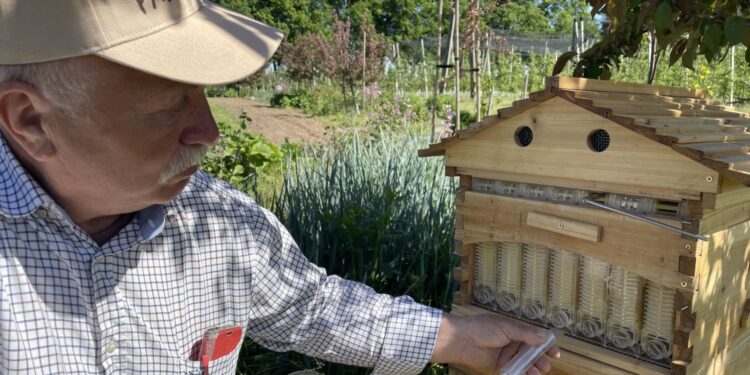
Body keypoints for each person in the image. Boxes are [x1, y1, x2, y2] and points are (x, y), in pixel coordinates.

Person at [0, 1, 559, 374]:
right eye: (170, 104)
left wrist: (457, 340)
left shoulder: (219, 224)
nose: (210, 132)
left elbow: (311, 306)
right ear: (30, 121)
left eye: (201, 95)